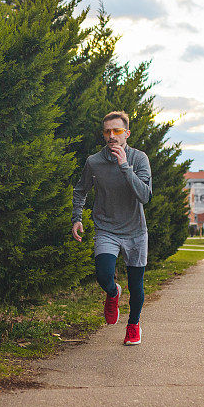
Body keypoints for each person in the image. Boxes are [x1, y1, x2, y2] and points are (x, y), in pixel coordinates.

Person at [72, 111, 153, 346]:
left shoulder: (139, 159)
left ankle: (133, 325)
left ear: (126, 133)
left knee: (136, 285)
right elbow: (80, 190)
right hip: (106, 229)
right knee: (104, 274)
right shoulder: (94, 161)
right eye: (107, 131)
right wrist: (77, 218)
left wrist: (125, 166)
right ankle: (113, 292)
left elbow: (145, 196)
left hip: (136, 231)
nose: (112, 136)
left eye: (117, 131)